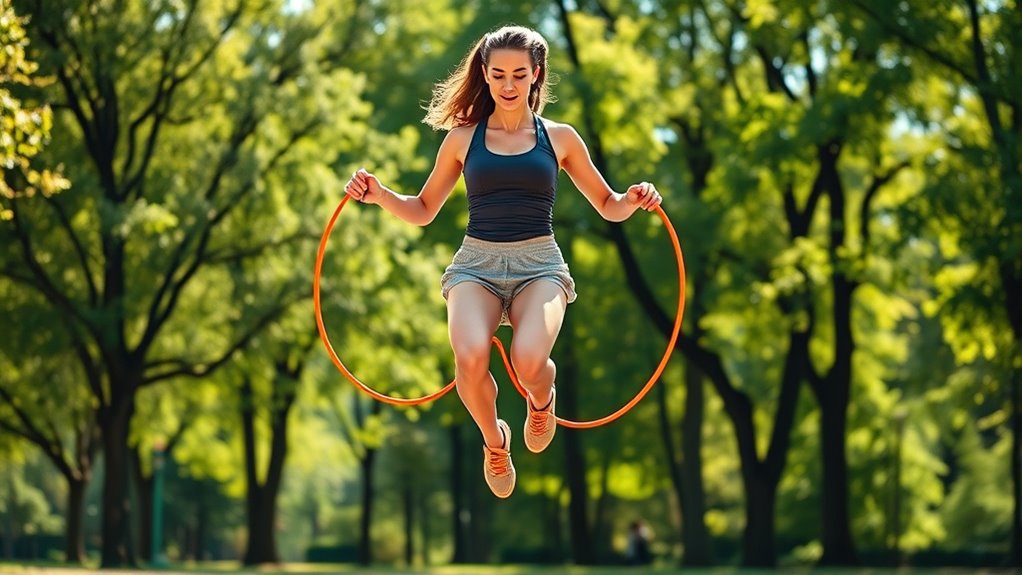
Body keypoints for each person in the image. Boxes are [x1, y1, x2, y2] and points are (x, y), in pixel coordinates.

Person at [344, 25, 662, 498]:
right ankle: (495, 442)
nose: (508, 85)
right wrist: (379, 195)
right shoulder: (462, 139)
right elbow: (424, 210)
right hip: (476, 265)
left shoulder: (560, 138)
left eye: (519, 74)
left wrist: (636, 198)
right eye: (498, 75)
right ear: (485, 76)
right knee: (469, 354)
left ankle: (541, 399)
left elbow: (609, 205)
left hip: (540, 265)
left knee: (530, 360)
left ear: (536, 75)